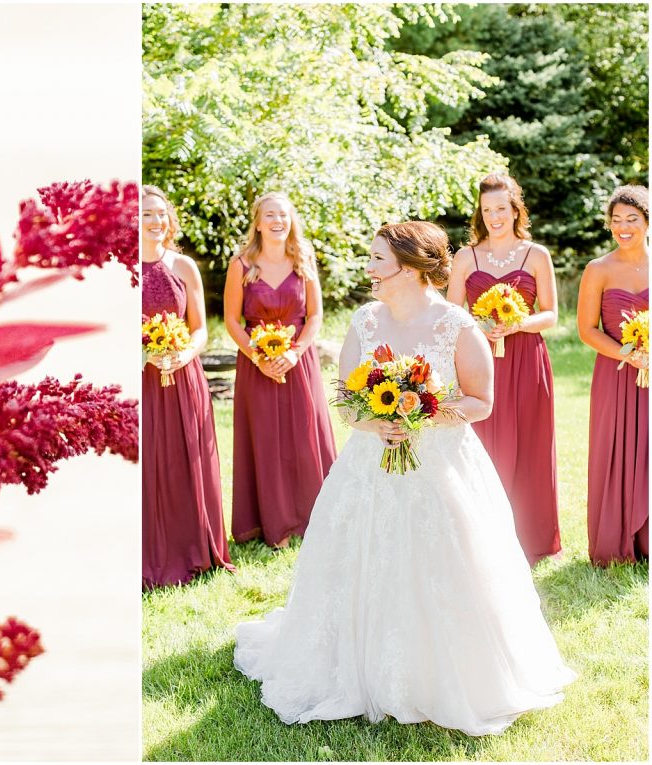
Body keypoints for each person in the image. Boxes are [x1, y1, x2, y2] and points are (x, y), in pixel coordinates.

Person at [234, 221, 575, 736]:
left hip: (443, 465)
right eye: (369, 258)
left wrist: (421, 414)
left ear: (412, 267)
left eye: (376, 260)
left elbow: (481, 402)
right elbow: (347, 400)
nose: (367, 269)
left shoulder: (458, 326)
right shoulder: (365, 322)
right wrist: (376, 421)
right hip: (371, 464)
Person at [446, 173, 560, 565]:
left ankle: (532, 538)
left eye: (501, 209)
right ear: (480, 212)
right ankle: (478, 535)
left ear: (515, 209)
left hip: (527, 358)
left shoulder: (536, 254)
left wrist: (519, 323)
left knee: (528, 444)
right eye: (487, 209)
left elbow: (551, 314)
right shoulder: (466, 257)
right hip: (478, 360)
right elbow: (450, 312)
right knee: (482, 444)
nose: (494, 217)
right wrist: (478, 326)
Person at [223, 192, 336, 548]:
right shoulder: (240, 264)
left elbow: (315, 315)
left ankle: (312, 516)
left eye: (283, 215)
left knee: (304, 437)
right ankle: (269, 522)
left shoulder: (304, 260)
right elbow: (231, 319)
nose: (277, 221)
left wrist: (295, 352)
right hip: (256, 363)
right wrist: (258, 356)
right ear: (257, 222)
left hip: (298, 361)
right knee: (265, 439)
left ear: (291, 221)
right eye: (269, 215)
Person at [141, 185, 234, 588]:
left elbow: (199, 330)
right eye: (146, 214)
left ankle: (193, 545)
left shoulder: (183, 266)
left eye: (161, 213)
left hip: (182, 376)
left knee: (185, 460)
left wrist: (181, 355)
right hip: (141, 378)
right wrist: (144, 354)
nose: (156, 221)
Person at [576, 184, 649, 565]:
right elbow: (586, 329)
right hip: (615, 373)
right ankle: (616, 542)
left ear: (647, 222)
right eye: (616, 220)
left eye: (632, 220)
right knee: (615, 449)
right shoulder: (598, 269)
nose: (623, 227)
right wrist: (630, 353)